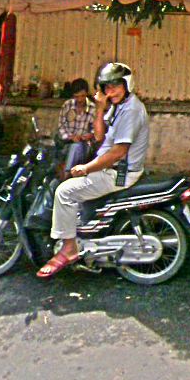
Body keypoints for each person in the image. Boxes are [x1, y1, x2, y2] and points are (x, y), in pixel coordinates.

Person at [37, 61, 149, 279]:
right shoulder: (119, 106)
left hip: (118, 172)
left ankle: (69, 249)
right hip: (110, 167)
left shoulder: (132, 111)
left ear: (127, 84)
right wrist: (99, 108)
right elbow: (99, 136)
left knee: (64, 192)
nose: (111, 91)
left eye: (116, 86)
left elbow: (118, 152)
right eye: (107, 87)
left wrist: (86, 168)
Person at [56, 77, 100, 171]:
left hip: (83, 144)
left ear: (87, 93)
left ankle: (67, 173)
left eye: (82, 96)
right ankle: (67, 172)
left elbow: (95, 130)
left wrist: (90, 135)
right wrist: (70, 137)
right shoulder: (67, 105)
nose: (80, 99)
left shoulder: (92, 108)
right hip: (66, 142)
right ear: (73, 95)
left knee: (76, 147)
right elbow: (61, 126)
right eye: (76, 96)